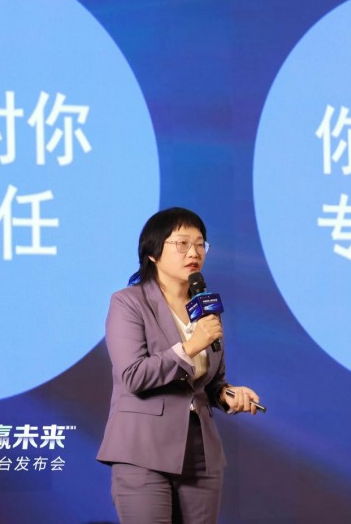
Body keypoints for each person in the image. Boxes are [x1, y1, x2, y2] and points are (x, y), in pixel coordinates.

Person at [97, 207, 260, 524]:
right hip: (142, 451)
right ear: (153, 253)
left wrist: (228, 395)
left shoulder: (206, 308)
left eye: (200, 244)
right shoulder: (128, 302)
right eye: (182, 244)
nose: (194, 253)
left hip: (200, 455)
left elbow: (210, 382)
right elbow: (134, 376)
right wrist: (190, 346)